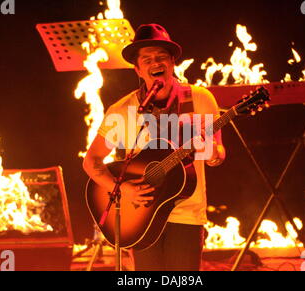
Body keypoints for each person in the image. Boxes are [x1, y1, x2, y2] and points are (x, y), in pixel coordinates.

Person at [83, 23, 226, 271]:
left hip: (187, 213)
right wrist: (122, 189)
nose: (155, 63)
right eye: (147, 59)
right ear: (138, 69)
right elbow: (91, 160)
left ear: (172, 63)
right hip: (138, 215)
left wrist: (212, 151)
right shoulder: (123, 111)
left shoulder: (201, 99)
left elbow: (219, 155)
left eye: (161, 57)